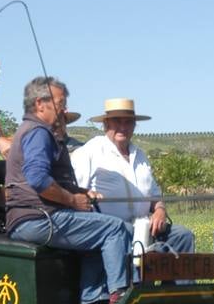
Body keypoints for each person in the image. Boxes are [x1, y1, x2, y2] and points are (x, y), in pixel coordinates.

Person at [5, 76, 131, 304]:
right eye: (60, 103)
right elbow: (38, 179)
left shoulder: (32, 131)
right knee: (115, 229)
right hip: (37, 218)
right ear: (40, 104)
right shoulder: (38, 132)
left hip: (33, 217)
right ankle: (119, 303)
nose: (64, 109)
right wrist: (72, 200)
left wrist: (81, 193)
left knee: (100, 228)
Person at [71, 98, 194, 255]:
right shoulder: (89, 152)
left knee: (182, 236)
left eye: (128, 122)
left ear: (134, 125)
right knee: (131, 241)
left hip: (145, 227)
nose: (123, 127)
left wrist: (160, 210)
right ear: (106, 124)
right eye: (117, 121)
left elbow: (154, 196)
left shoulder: (140, 155)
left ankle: (177, 279)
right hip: (111, 231)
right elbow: (76, 193)